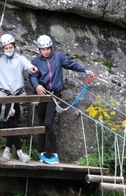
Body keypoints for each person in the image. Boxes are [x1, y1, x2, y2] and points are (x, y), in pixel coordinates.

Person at [29, 35, 94, 164]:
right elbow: (32, 76)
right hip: (43, 95)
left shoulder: (58, 57)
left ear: (51, 48)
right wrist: (37, 85)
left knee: (48, 123)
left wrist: (84, 70)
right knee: (41, 124)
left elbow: (70, 64)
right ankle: (42, 153)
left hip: (54, 96)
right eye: (43, 49)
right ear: (39, 50)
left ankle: (54, 153)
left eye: (48, 48)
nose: (46, 51)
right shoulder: (36, 61)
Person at [0, 34, 37, 162]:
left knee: (14, 122)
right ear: (2, 49)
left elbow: (28, 66)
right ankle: (19, 151)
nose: (9, 50)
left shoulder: (20, 59)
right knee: (13, 122)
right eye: (6, 48)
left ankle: (7, 150)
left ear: (14, 47)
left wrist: (32, 68)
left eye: (11, 47)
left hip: (17, 95)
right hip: (4, 96)